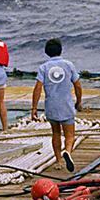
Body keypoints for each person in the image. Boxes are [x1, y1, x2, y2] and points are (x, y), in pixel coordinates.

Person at [30, 38, 81, 172]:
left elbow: (37, 88)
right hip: (66, 105)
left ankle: (58, 160)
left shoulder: (44, 67)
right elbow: (77, 85)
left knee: (56, 133)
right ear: (61, 50)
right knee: (70, 135)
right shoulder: (69, 65)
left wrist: (34, 108)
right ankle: (68, 151)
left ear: (47, 52)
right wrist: (79, 101)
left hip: (51, 106)